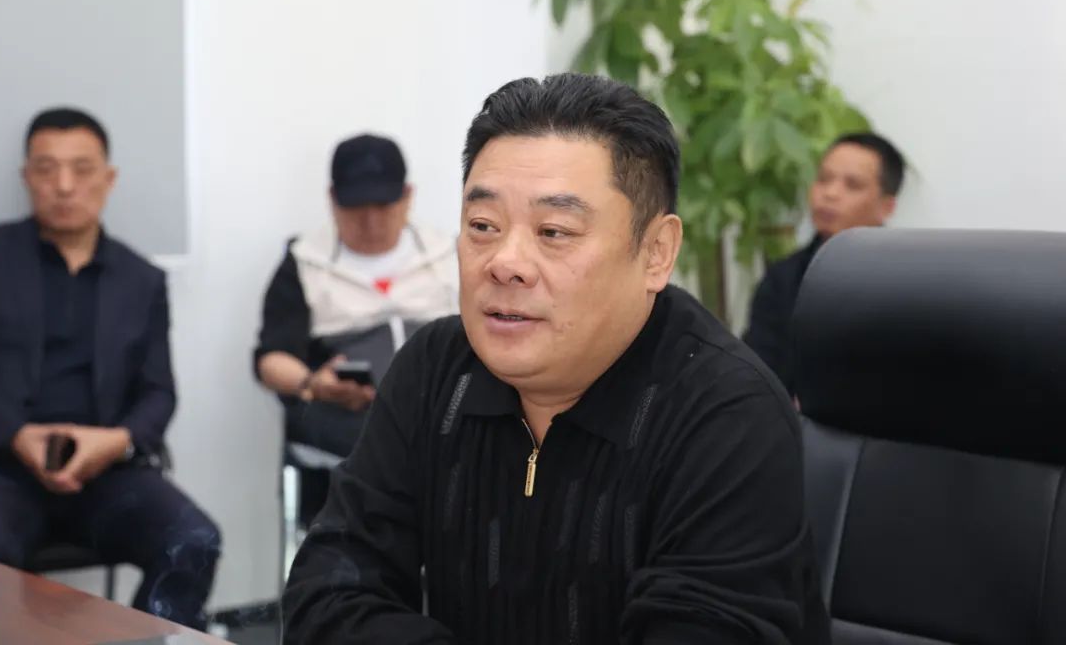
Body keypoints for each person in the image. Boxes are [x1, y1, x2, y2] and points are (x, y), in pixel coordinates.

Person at [282, 74, 827, 644]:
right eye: (483, 227)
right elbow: (327, 594)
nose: (505, 263)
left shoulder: (725, 414)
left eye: (554, 231)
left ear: (656, 253)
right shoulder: (435, 372)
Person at [0, 108, 220, 629]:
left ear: (108, 178)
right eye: (47, 168)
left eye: (82, 168)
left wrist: (116, 441)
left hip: (105, 473)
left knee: (194, 539)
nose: (64, 185)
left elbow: (158, 392)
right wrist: (15, 435)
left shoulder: (142, 279)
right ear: (26, 177)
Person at [254, 134, 457, 520]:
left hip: (440, 409)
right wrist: (312, 383)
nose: (371, 222)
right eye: (356, 208)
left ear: (407, 197)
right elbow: (271, 359)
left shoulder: (450, 255)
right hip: (348, 419)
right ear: (332, 199)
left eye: (383, 206)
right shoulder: (305, 261)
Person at [744, 132, 906, 394]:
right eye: (823, 179)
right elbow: (756, 372)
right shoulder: (782, 279)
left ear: (886, 207)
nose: (830, 193)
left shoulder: (908, 284)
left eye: (852, 185)